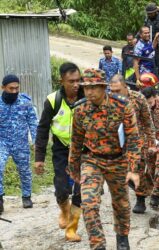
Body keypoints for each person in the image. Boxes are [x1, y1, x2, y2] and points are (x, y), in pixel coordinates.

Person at [67, 69, 141, 250]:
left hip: (118, 161)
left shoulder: (122, 106)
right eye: (86, 88)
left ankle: (122, 237)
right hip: (92, 161)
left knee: (121, 204)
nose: (89, 92)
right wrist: (74, 169)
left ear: (103, 88)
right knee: (89, 204)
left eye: (94, 88)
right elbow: (76, 142)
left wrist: (133, 169)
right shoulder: (80, 110)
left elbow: (133, 139)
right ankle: (97, 244)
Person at [35, 62, 84, 242]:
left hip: (83, 150)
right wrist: (39, 158)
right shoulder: (53, 100)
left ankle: (71, 229)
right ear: (61, 80)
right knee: (62, 188)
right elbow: (42, 129)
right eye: (71, 81)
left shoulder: (87, 97)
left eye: (78, 80)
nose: (75, 84)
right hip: (61, 149)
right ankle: (64, 209)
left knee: (80, 191)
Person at [110, 74, 157, 214]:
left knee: (138, 168)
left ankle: (140, 199)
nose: (114, 94)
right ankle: (143, 189)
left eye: (117, 90)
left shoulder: (138, 98)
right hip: (117, 141)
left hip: (137, 139)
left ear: (125, 87)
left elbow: (148, 122)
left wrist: (151, 143)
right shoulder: (108, 101)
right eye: (112, 91)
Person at [0, 74, 37, 214]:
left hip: (20, 142)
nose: (14, 91)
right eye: (11, 88)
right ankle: (0, 199)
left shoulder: (25, 102)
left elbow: (33, 123)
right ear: (3, 87)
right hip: (2, 142)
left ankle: (26, 196)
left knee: (25, 170)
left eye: (17, 88)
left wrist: (36, 142)